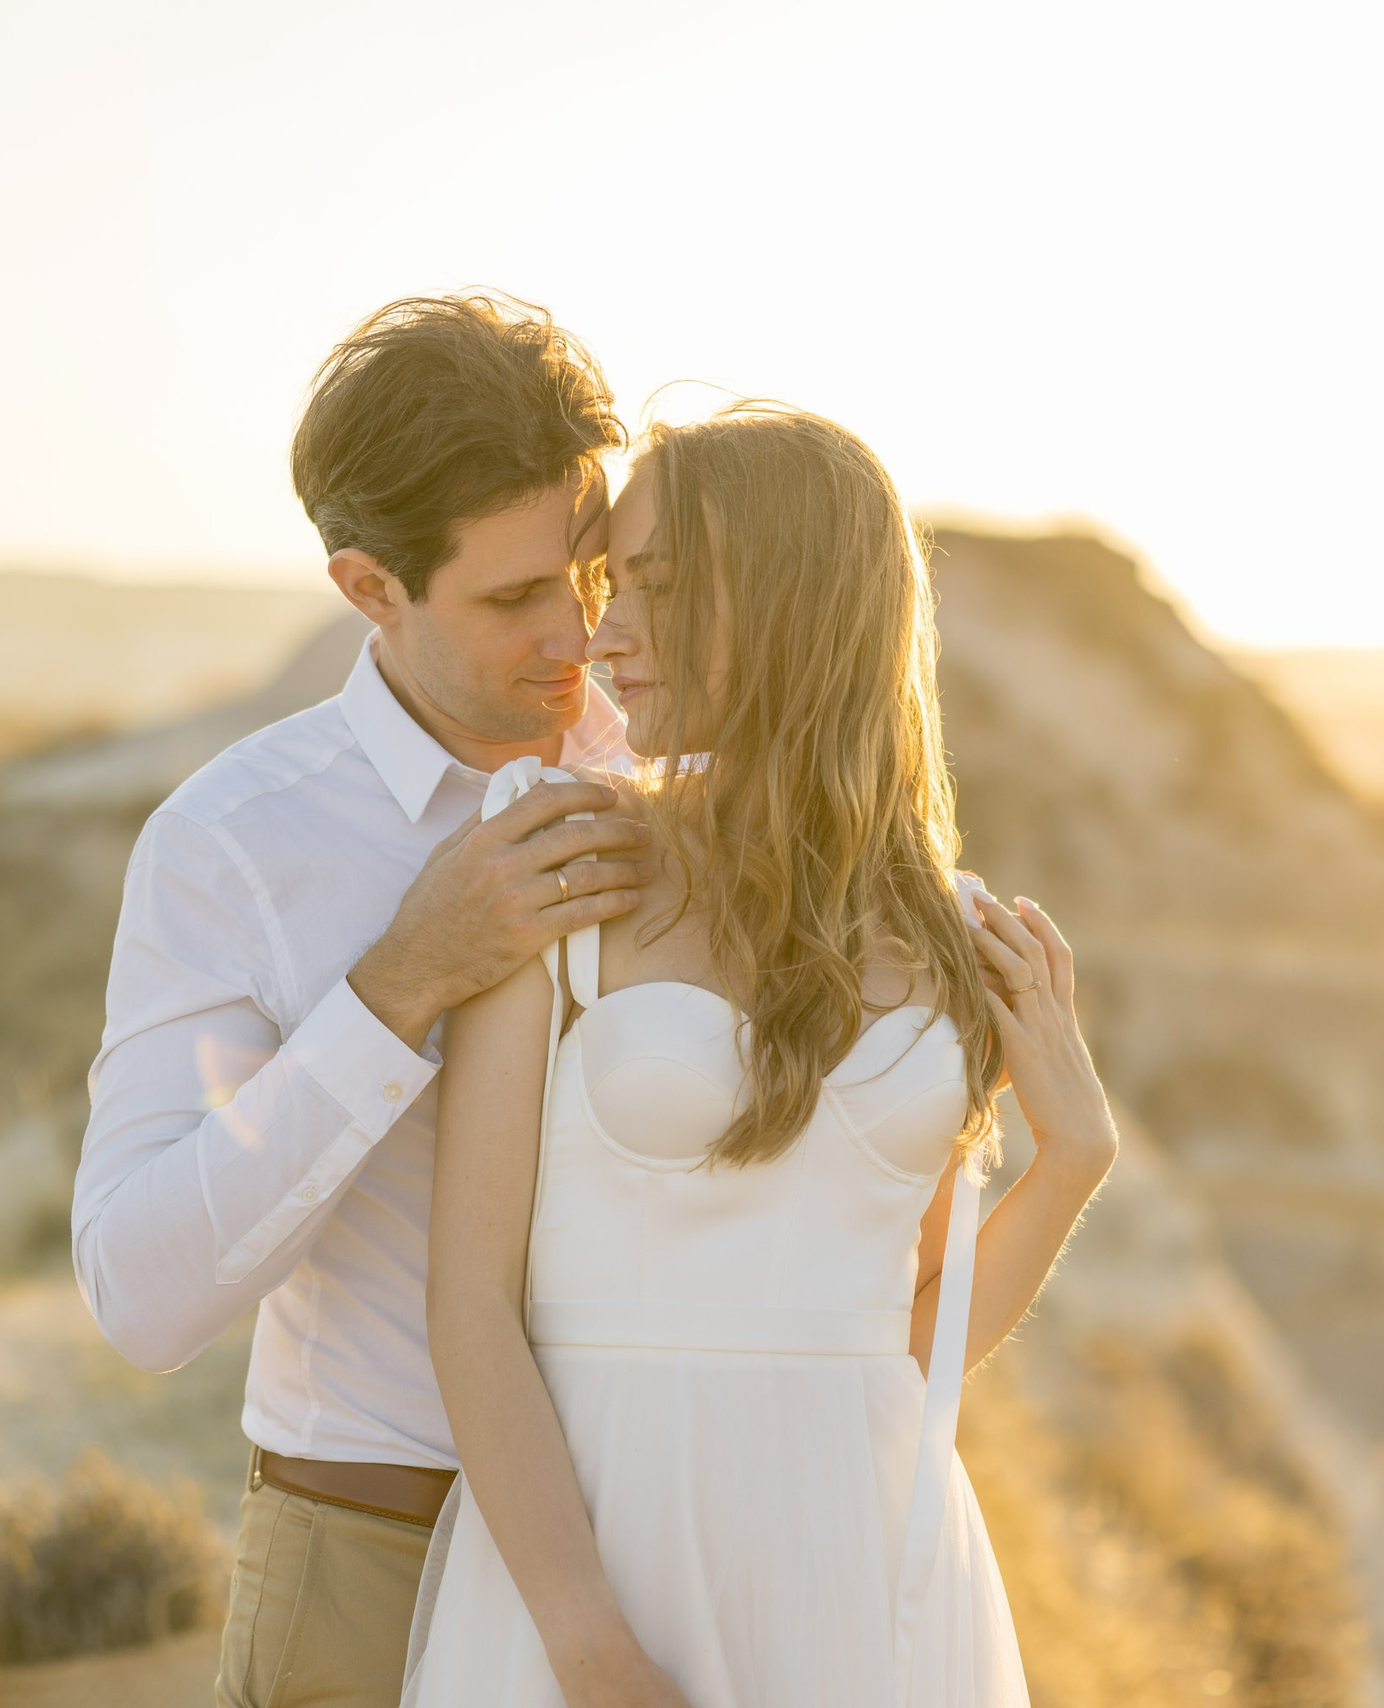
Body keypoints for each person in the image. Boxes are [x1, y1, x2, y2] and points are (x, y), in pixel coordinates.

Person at [402, 405, 1123, 1706]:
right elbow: (469, 1304)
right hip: (603, 1564)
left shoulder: (951, 929)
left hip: (864, 1573)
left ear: (795, 605)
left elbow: (899, 1340)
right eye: (608, 584)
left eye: (659, 588)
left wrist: (1072, 1158)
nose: (605, 632)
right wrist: (585, 1643)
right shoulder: (563, 854)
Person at [71, 294, 660, 1708]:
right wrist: (401, 983)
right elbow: (137, 1296)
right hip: (374, 1565)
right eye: (514, 598)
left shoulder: (682, 766)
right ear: (368, 588)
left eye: (588, 572)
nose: (577, 633)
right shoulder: (233, 846)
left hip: (672, 1548)